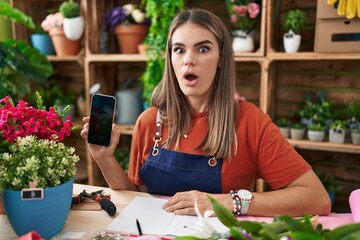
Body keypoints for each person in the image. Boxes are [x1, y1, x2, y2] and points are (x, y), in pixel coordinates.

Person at [81, 8, 331, 217]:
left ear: (221, 58)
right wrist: (104, 157)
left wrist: (226, 202)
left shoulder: (250, 122)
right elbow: (135, 194)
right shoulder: (149, 121)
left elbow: (317, 198)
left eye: (202, 49)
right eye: (179, 50)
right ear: (171, 59)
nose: (188, 60)